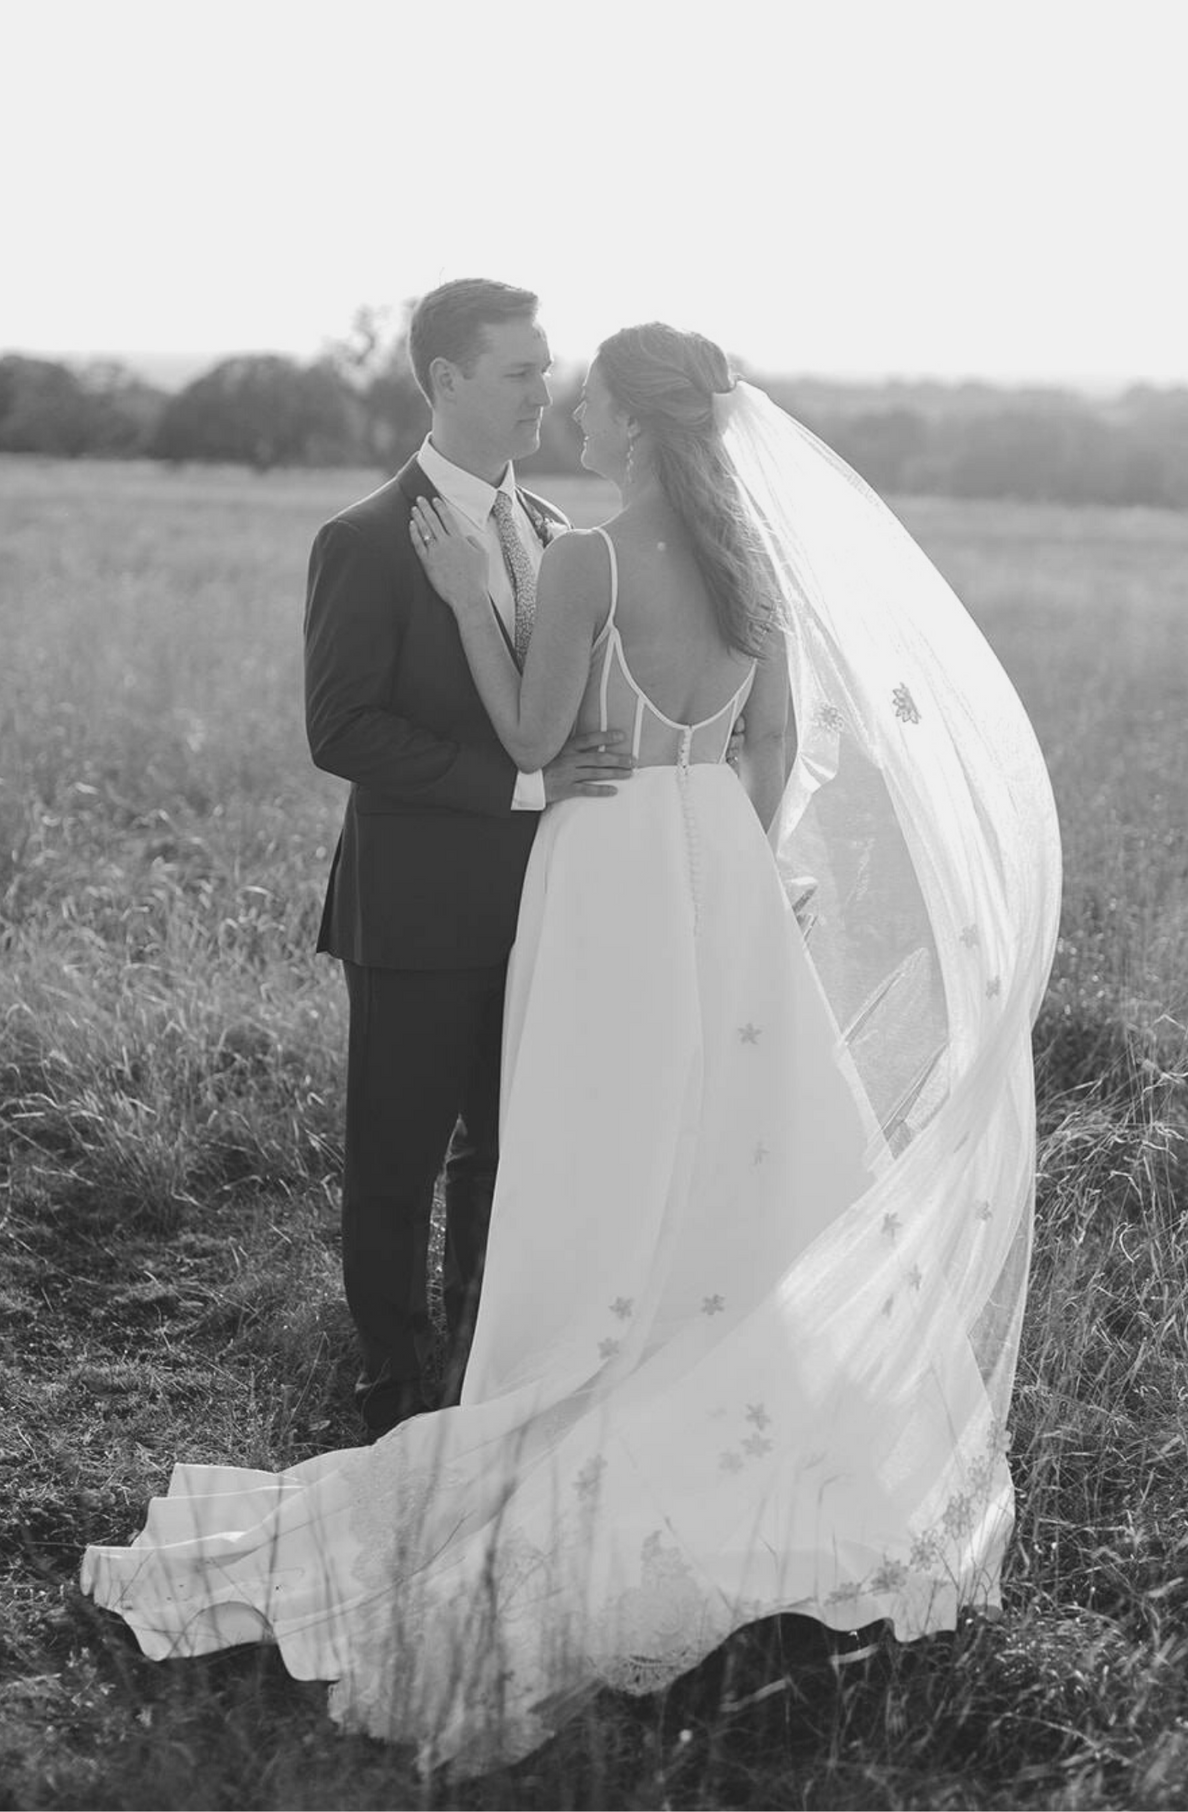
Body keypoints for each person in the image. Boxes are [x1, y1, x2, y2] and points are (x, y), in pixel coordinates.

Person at [82, 323, 1061, 1779]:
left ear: (637, 429)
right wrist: (744, 860)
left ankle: (561, 1350)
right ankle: (719, 1371)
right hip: (719, 866)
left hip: (603, 872)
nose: (574, 420)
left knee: (590, 1136)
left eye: (591, 401)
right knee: (734, 1137)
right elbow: (776, 753)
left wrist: (481, 596)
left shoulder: (590, 560)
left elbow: (539, 731)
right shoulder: (753, 570)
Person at [302, 278, 635, 1436]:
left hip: (544, 908)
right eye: (521, 372)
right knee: (395, 1157)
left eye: (547, 369)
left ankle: (479, 1345)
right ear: (446, 381)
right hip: (416, 910)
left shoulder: (550, 534)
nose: (548, 391)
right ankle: (391, 1369)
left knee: (507, 1149)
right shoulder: (362, 540)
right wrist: (518, 787)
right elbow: (341, 730)